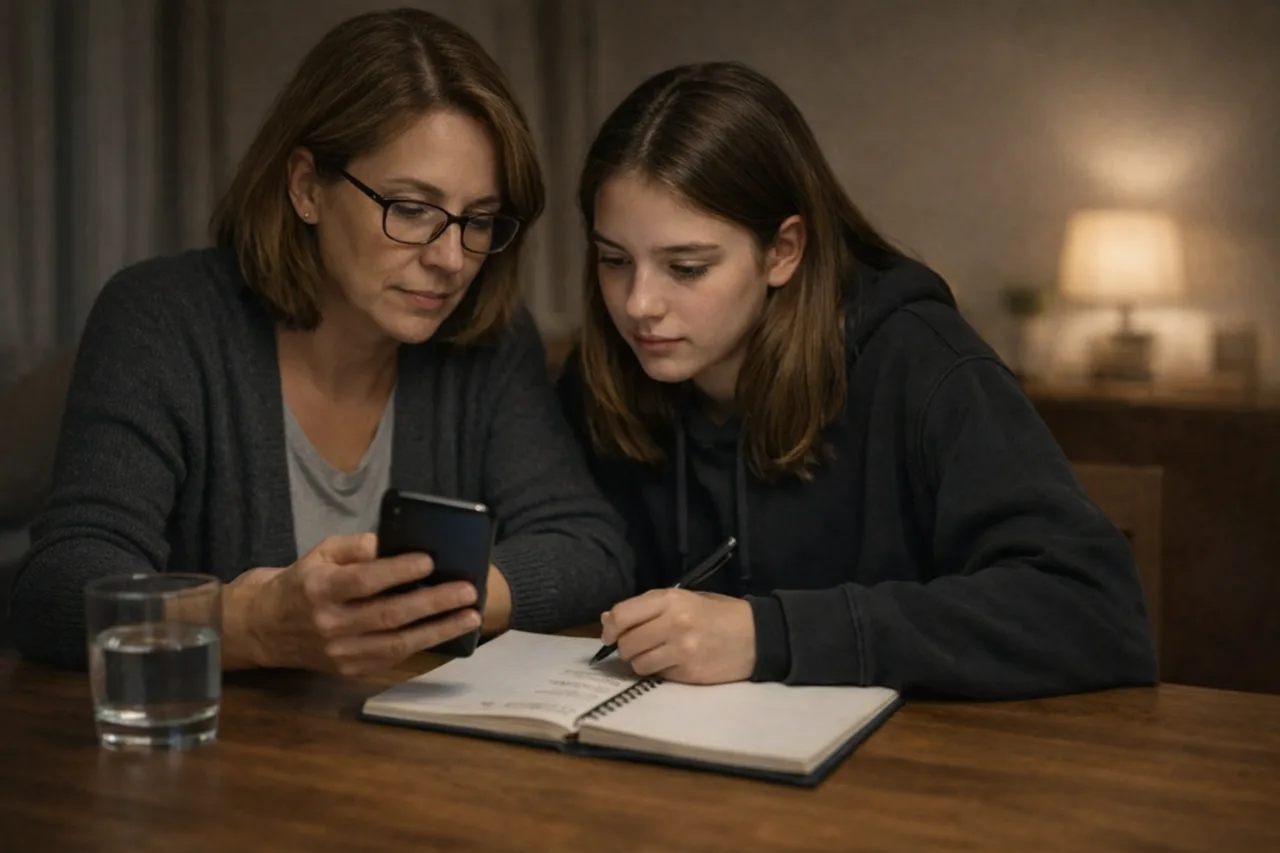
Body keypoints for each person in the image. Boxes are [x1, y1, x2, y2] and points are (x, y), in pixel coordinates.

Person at [12, 8, 632, 673]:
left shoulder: (488, 338)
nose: (452, 258)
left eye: (478, 220)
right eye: (413, 208)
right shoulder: (163, 318)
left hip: (399, 761)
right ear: (307, 188)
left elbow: (590, 547)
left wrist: (409, 605)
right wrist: (251, 623)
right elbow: (59, 589)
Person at [557, 61, 1156, 699]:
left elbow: (1096, 614)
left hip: (909, 776)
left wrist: (770, 635)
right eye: (614, 260)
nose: (639, 303)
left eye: (687, 267)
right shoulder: (602, 369)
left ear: (783, 251)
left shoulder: (924, 364)